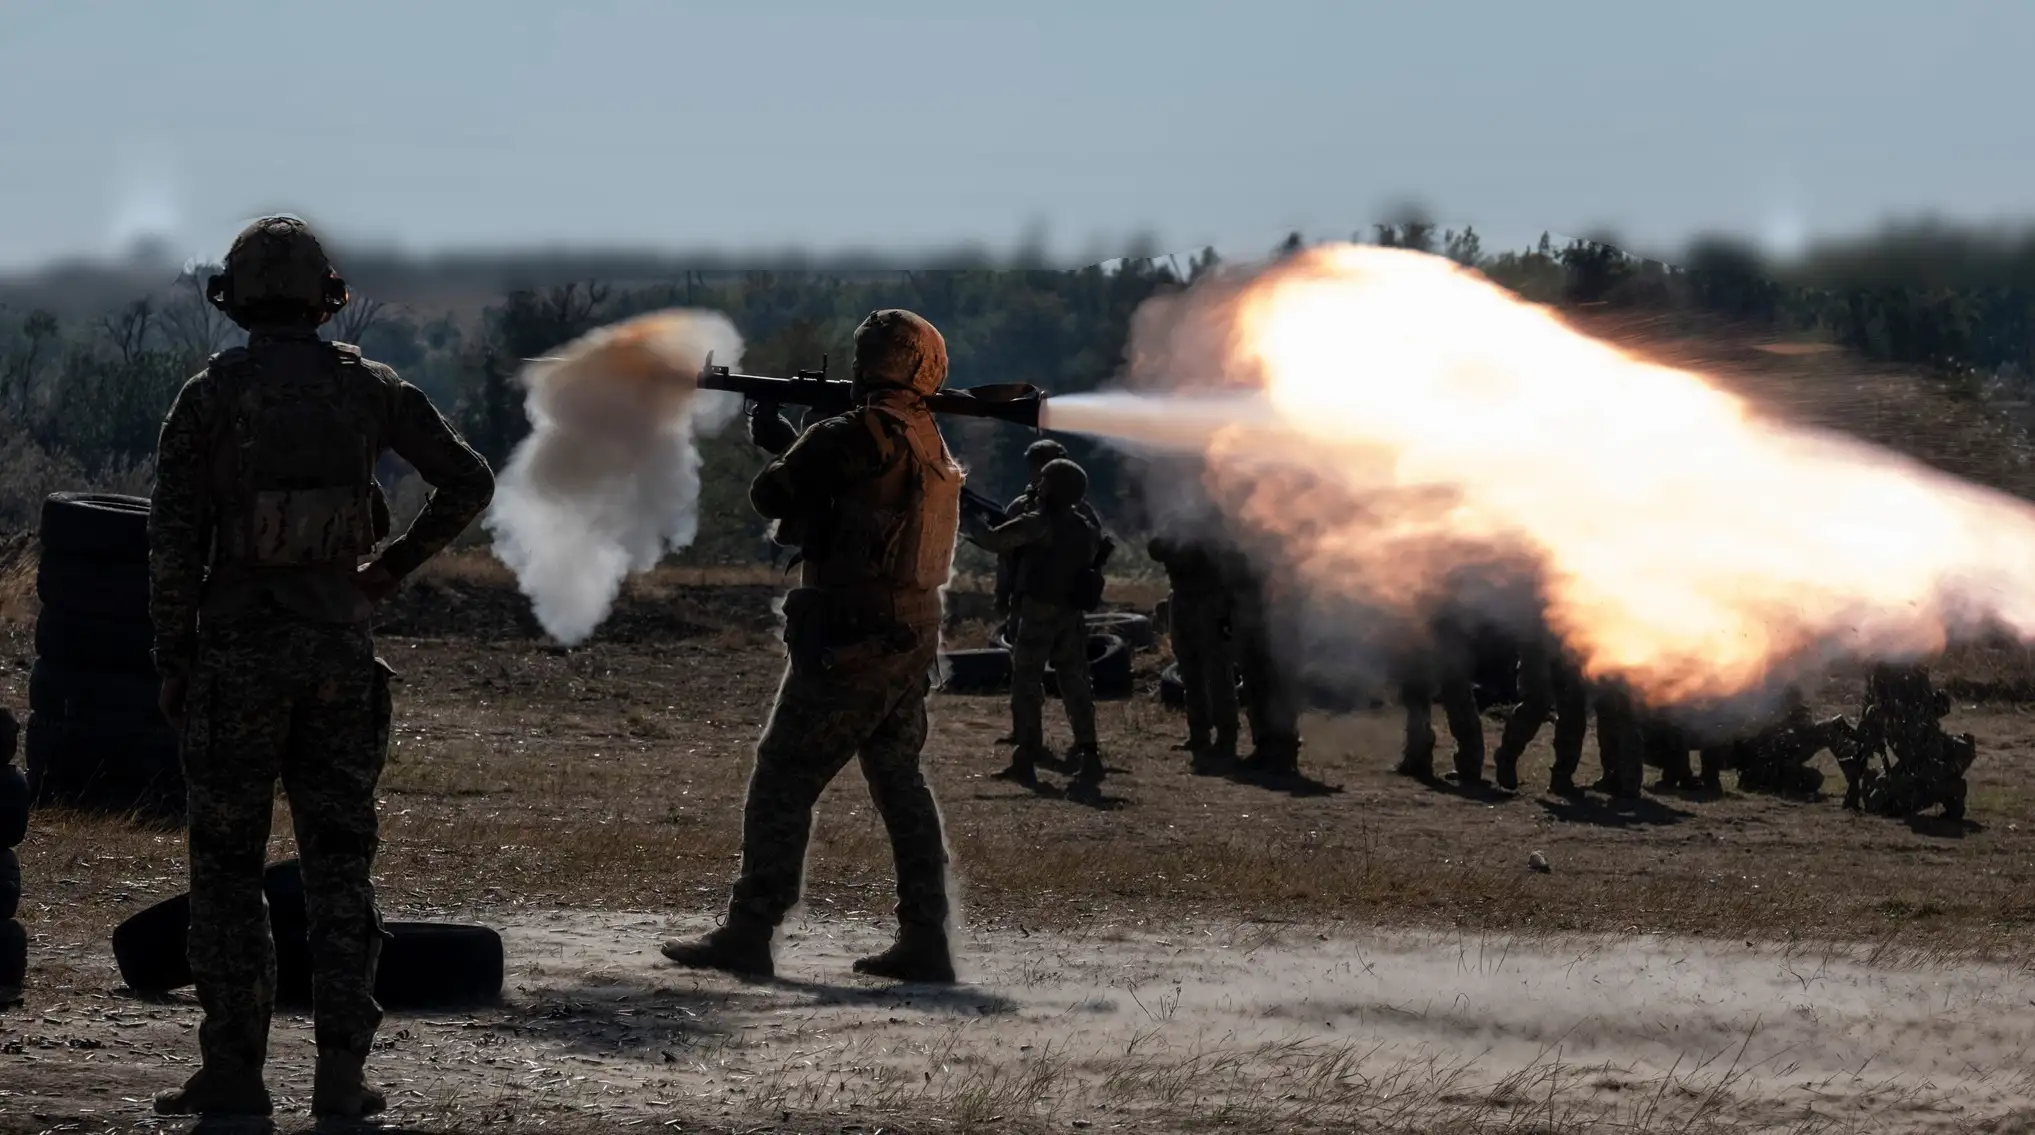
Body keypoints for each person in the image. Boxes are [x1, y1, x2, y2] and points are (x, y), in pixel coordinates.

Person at [148, 216, 495, 1119]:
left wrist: (174, 659)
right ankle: (342, 1075)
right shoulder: (370, 390)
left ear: (236, 299)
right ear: (324, 297)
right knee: (341, 869)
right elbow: (468, 479)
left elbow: (174, 542)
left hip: (236, 657)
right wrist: (385, 572)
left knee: (226, 870)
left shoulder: (207, 399)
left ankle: (234, 1070)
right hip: (339, 657)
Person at [662, 309, 963, 985]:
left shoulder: (851, 432)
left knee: (782, 776)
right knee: (897, 779)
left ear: (864, 363)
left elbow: (772, 493)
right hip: (910, 628)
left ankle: (749, 930)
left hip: (850, 635)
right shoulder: (924, 433)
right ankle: (925, 935)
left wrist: (780, 441)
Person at [968, 459, 1106, 787]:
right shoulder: (1083, 526)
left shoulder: (1040, 522)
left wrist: (970, 518)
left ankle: (1027, 756)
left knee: (1027, 685)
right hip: (1069, 615)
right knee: (1075, 685)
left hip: (1038, 613)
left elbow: (994, 541)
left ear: (1053, 488)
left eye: (1044, 481)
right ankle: (1089, 754)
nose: (1038, 485)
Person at [1147, 531, 1241, 774]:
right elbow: (1155, 550)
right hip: (1182, 598)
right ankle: (1198, 735)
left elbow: (1230, 564)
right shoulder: (1177, 519)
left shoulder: (1214, 523)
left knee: (1217, 672)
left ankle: (1226, 737)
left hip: (1211, 600)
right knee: (1190, 670)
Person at [1230, 556, 1303, 778]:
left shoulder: (1285, 550)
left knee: (1279, 688)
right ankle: (1264, 747)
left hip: (1278, 624)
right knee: (1256, 686)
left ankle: (1282, 751)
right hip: (1251, 620)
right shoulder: (1245, 546)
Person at [1489, 631, 1590, 794]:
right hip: (1536, 637)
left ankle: (1562, 777)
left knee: (1573, 708)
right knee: (1536, 702)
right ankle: (1507, 756)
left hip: (1570, 636)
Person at [1394, 613, 1485, 786]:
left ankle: (1419, 760)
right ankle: (1467, 766)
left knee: (1443, 694)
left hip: (1432, 626)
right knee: (1448, 695)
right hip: (1432, 626)